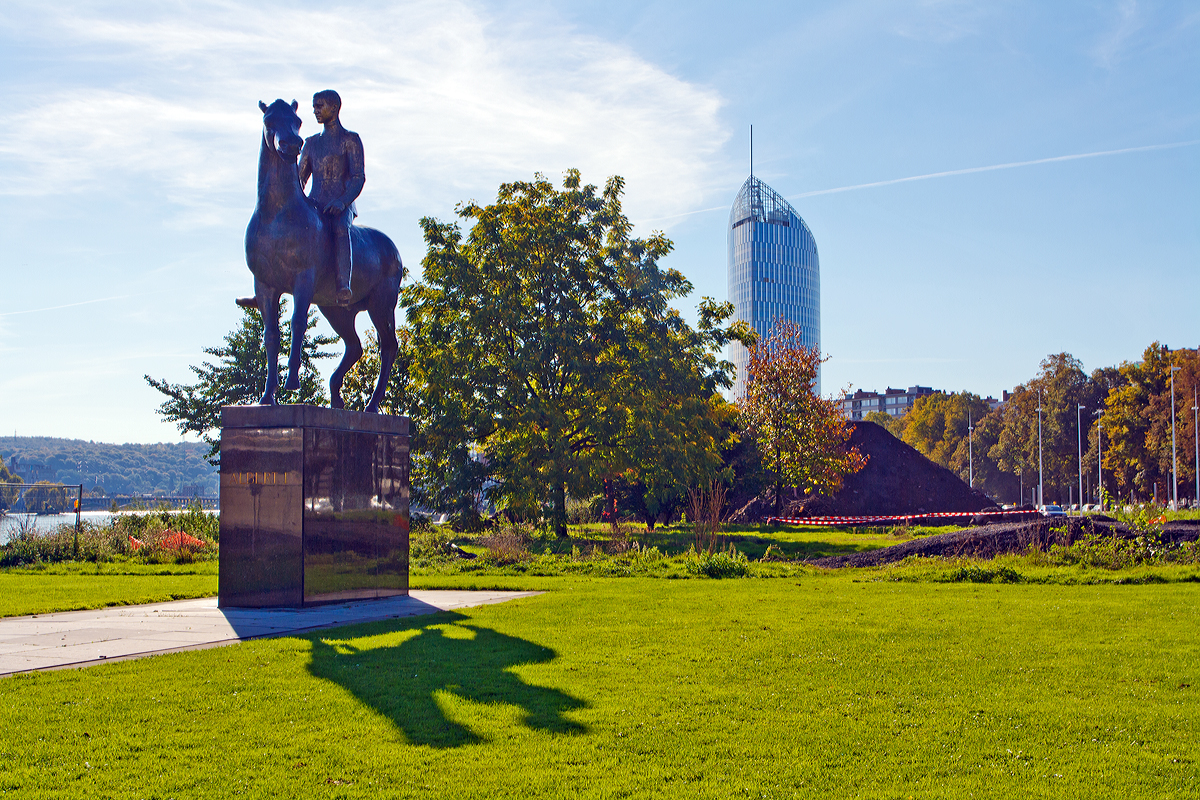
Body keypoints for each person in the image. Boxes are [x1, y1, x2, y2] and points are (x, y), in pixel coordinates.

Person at [299, 90, 365, 305]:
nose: (315, 111)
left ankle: (343, 284)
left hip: (341, 204)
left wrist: (342, 201)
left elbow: (358, 177)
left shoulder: (350, 140)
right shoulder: (310, 144)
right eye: (314, 106)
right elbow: (300, 179)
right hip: (314, 203)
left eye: (319, 106)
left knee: (339, 228)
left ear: (334, 108)